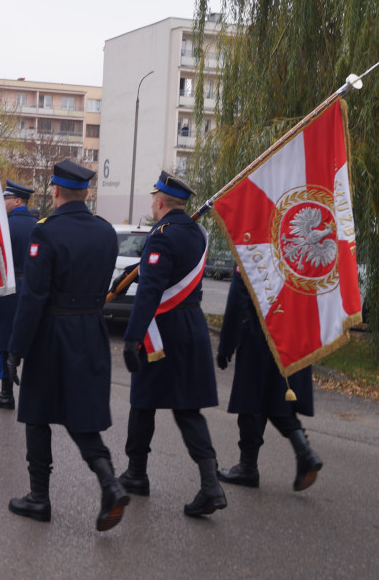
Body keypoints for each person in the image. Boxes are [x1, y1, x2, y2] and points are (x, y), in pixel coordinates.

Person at [5, 161, 128, 531]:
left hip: (52, 332)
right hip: (91, 329)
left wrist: (15, 350)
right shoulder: (106, 232)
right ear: (86, 193)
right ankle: (109, 481)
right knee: (81, 413)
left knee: (37, 414)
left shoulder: (47, 233)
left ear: (55, 192)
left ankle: (39, 498)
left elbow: (34, 296)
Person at [119, 170, 226, 517]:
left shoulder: (162, 235)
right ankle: (210, 484)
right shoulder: (196, 232)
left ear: (161, 201)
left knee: (143, 400)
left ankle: (136, 474)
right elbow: (171, 271)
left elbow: (151, 291)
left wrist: (132, 336)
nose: (152, 203)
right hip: (192, 325)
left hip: (163, 329)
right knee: (187, 408)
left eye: (153, 198)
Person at [216, 269, 323, 491]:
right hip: (294, 336)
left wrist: (226, 345)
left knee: (251, 404)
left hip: (260, 335)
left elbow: (238, 301)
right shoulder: (294, 256)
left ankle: (248, 468)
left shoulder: (252, 250)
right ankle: (305, 453)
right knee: (278, 402)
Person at [0, 181, 38, 410]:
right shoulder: (39, 226)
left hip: (8, 288)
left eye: (6, 199)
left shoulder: (4, 226)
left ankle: (6, 393)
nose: (3, 202)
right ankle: (31, 394)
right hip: (33, 290)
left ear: (17, 201)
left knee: (6, 341)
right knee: (31, 343)